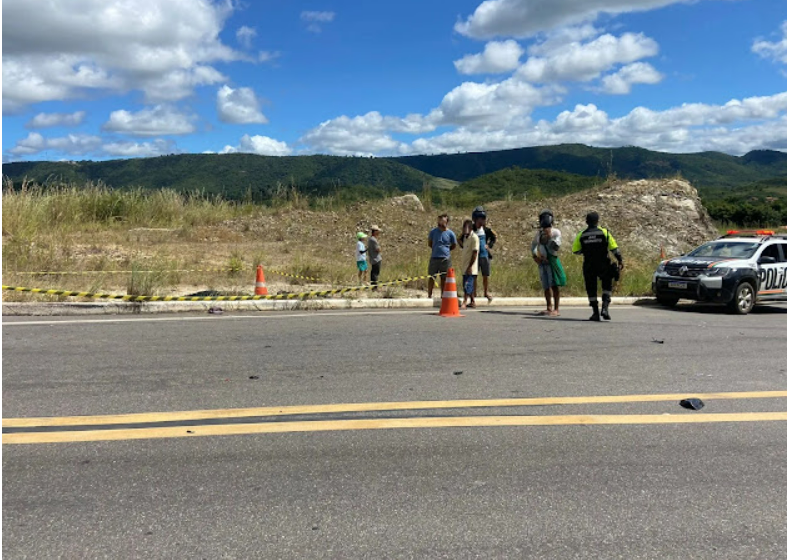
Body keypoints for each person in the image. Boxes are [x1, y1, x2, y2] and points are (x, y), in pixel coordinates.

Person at [572, 211, 624, 321]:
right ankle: (605, 308)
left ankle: (595, 313)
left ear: (587, 222)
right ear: (597, 221)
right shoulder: (604, 232)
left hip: (589, 265)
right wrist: (620, 260)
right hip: (603, 264)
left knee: (591, 288)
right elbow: (614, 249)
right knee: (607, 285)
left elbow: (576, 251)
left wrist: (587, 249)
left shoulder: (582, 234)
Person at [531, 209, 563, 316]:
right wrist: (535, 256)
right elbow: (534, 245)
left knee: (554, 284)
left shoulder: (556, 232)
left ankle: (556, 309)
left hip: (551, 261)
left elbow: (556, 247)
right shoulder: (539, 234)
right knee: (546, 285)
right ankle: (549, 307)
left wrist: (549, 238)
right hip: (542, 262)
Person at [472, 206, 498, 303]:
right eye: (479, 219)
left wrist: (489, 246)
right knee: (474, 275)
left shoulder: (487, 230)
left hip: (484, 255)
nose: (481, 221)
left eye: (482, 219)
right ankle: (473, 293)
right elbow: (461, 239)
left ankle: (485, 292)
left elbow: (494, 236)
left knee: (485, 275)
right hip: (474, 256)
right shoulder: (471, 229)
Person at [427, 214, 457, 298]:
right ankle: (429, 295)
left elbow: (454, 245)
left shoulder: (451, 233)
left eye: (443, 221)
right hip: (434, 258)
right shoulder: (433, 232)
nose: (440, 223)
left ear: (447, 222)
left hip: (445, 259)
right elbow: (430, 243)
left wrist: (446, 251)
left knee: (444, 278)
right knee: (431, 277)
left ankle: (443, 296)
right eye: (439, 220)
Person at [458, 219, 480, 309]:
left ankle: (465, 301)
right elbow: (458, 239)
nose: (463, 229)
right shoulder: (465, 238)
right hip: (464, 265)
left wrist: (470, 266)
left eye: (465, 227)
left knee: (468, 284)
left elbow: (475, 253)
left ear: (470, 228)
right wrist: (463, 233)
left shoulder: (474, 237)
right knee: (466, 284)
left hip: (470, 267)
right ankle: (473, 301)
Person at [368, 225, 382, 290]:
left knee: (373, 273)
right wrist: (379, 248)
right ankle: (374, 288)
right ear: (375, 232)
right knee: (375, 273)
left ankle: (373, 287)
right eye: (378, 231)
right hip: (376, 259)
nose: (379, 232)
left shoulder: (371, 239)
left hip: (373, 259)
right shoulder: (373, 240)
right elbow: (377, 249)